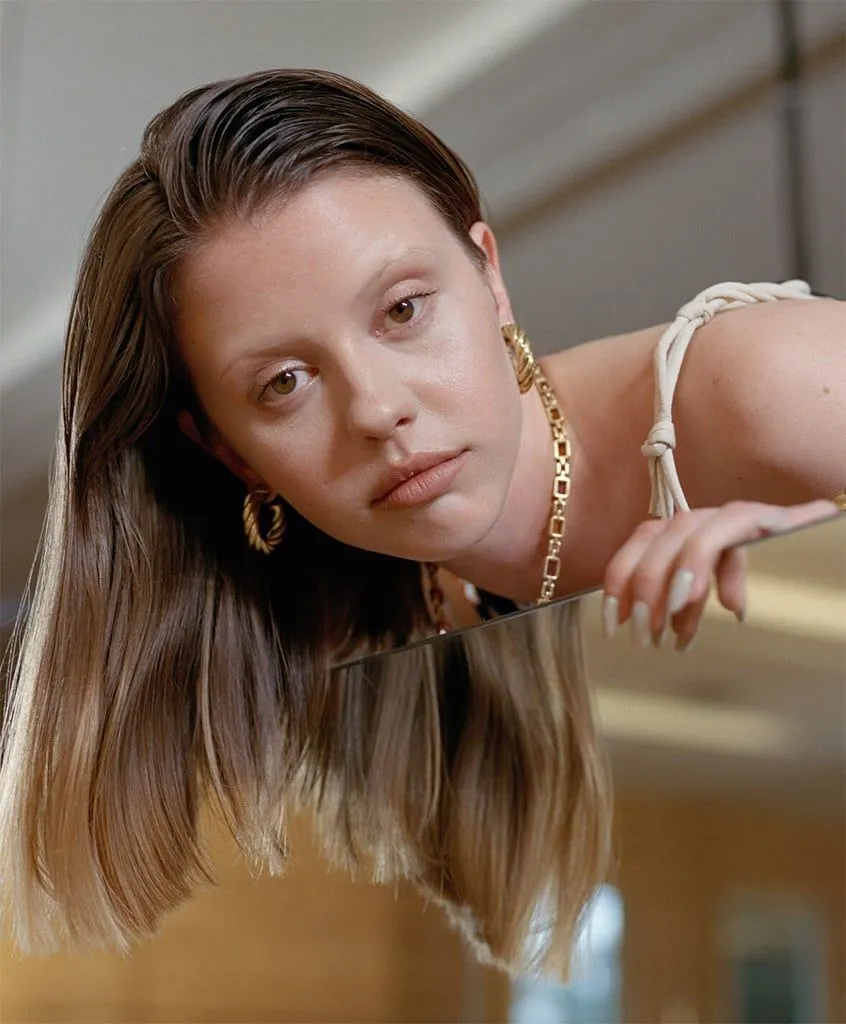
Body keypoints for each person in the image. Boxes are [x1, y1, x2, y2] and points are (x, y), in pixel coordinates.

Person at [0, 68, 842, 977]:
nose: (376, 409)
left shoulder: (769, 384)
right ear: (230, 451)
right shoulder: (360, 614)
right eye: (284, 383)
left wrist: (818, 553)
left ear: (489, 277)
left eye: (402, 310)